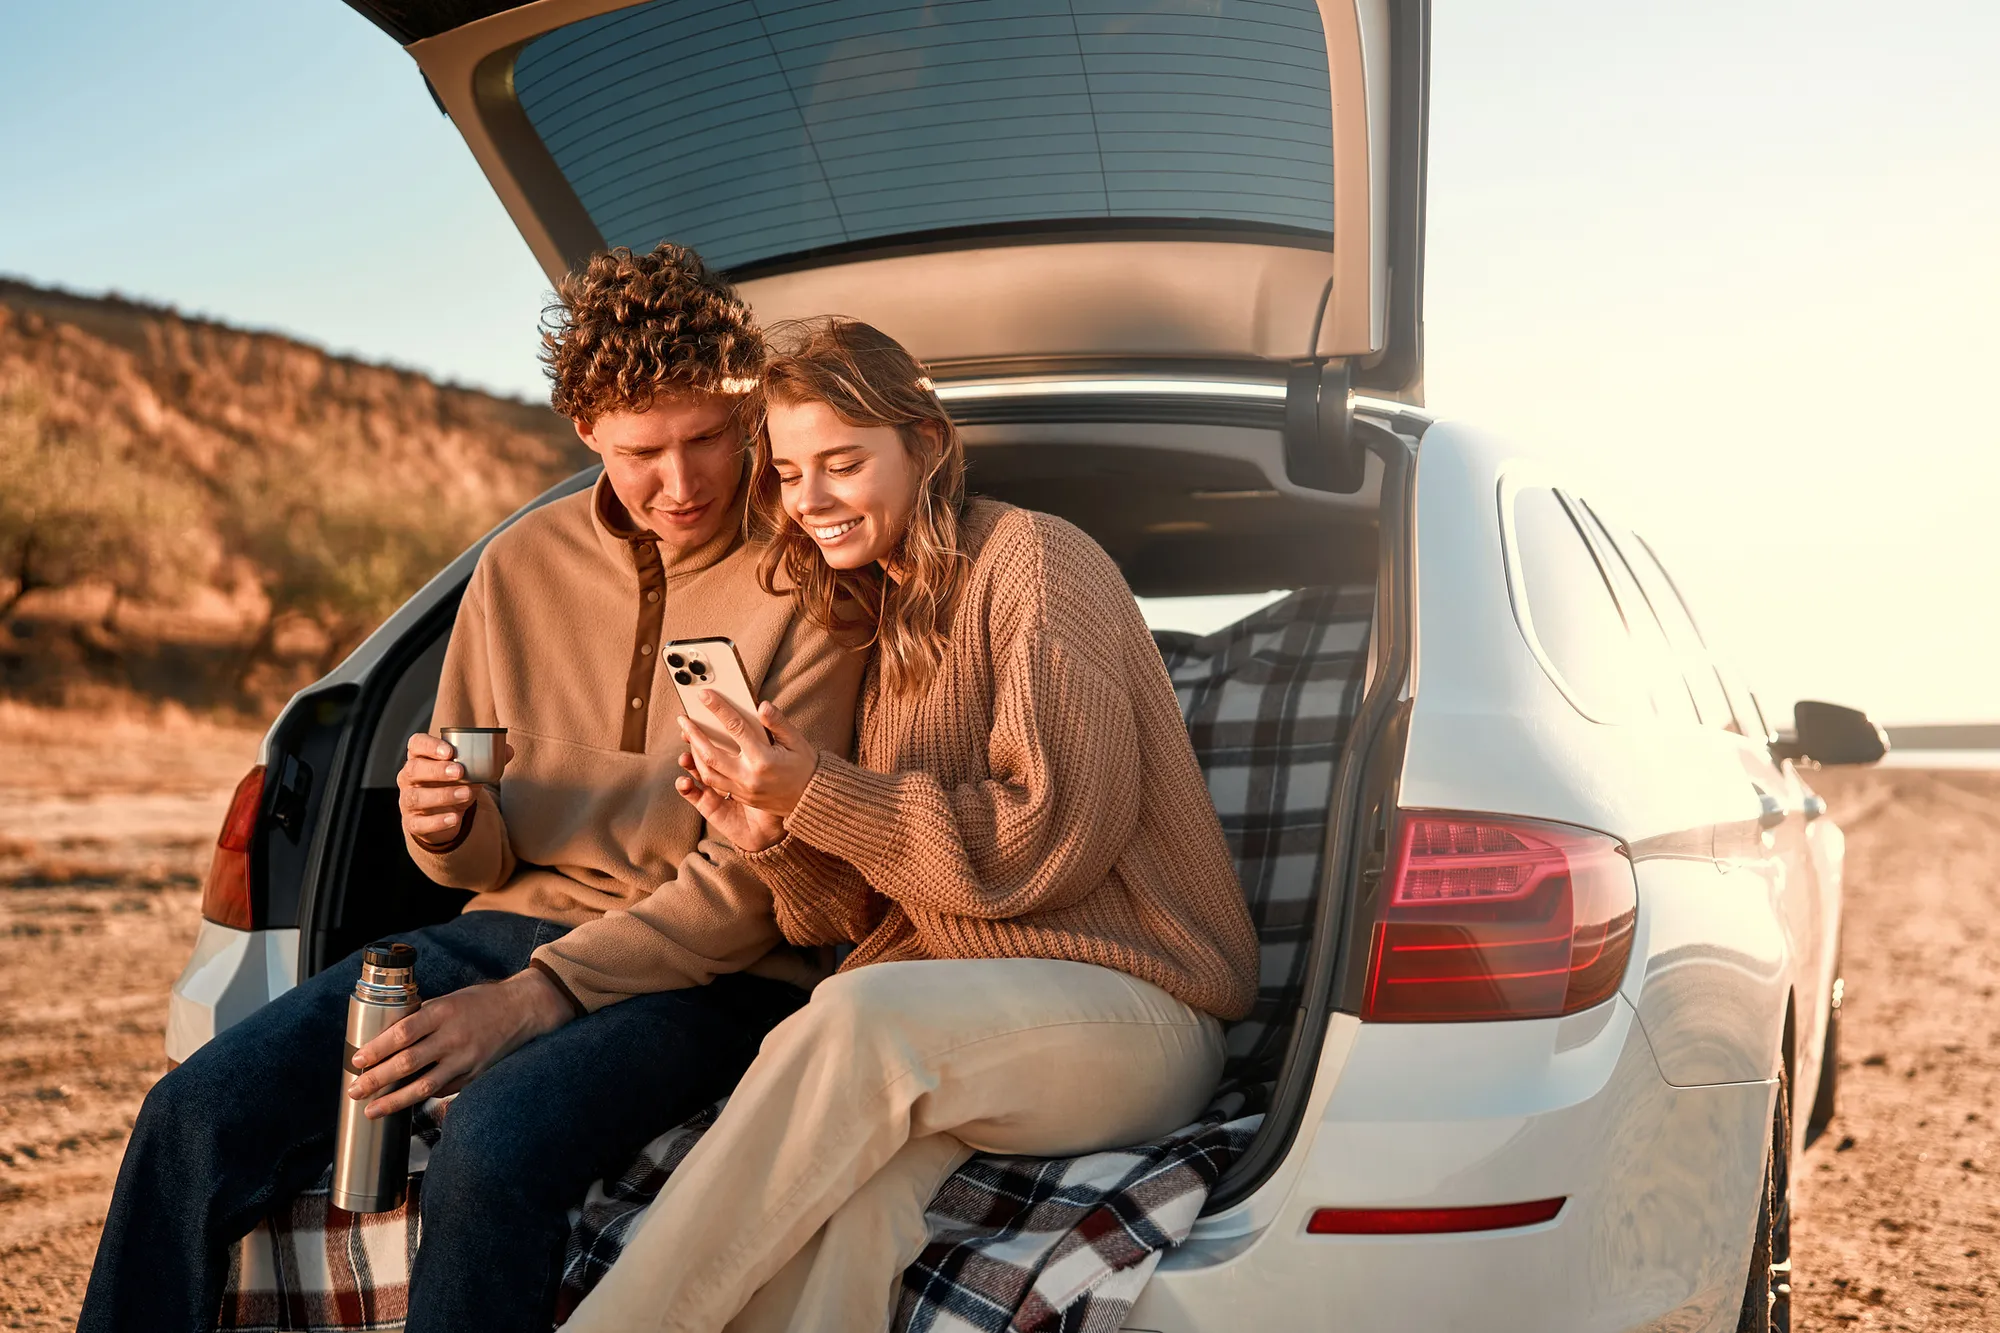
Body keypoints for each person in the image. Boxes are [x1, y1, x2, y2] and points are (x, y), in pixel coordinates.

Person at [77, 246, 864, 1333]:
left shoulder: (807, 577)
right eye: (644, 451)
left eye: (709, 441)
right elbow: (476, 851)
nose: (682, 485)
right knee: (193, 1111)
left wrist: (533, 1000)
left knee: (492, 1142)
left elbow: (753, 888)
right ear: (585, 429)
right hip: (502, 927)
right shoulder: (517, 566)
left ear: (746, 418)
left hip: (720, 976)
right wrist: (441, 825)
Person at [561, 319, 1262, 1333]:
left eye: (843, 463)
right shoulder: (878, 620)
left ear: (923, 447)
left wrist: (816, 791)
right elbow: (866, 908)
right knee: (845, 1215)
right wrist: (770, 833)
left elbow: (1047, 838)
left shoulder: (1035, 561)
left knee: (851, 1022)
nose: (811, 499)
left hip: (1142, 1005)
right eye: (791, 471)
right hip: (975, 1021)